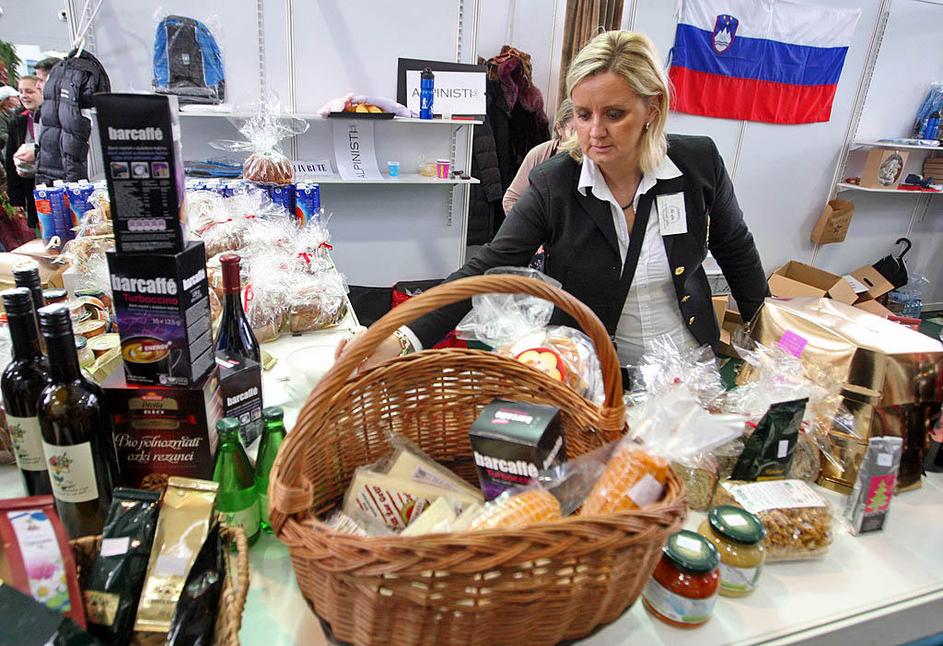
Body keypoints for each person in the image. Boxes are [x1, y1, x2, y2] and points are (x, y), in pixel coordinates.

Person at [338, 30, 767, 371]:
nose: (595, 131)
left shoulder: (697, 163)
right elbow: (484, 270)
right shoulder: (554, 184)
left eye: (614, 114)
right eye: (583, 114)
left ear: (652, 108)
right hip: (598, 379)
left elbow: (737, 252)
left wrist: (784, 346)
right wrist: (396, 340)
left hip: (690, 373)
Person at [502, 98, 574, 215]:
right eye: (574, 131)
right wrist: (529, 228)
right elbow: (511, 199)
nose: (579, 139)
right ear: (559, 128)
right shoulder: (540, 154)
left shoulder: (593, 158)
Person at [5, 76, 44, 228]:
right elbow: (10, 161)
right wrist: (16, 199)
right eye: (21, 92)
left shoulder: (54, 118)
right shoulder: (17, 122)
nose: (24, 96)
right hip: (30, 186)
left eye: (29, 91)